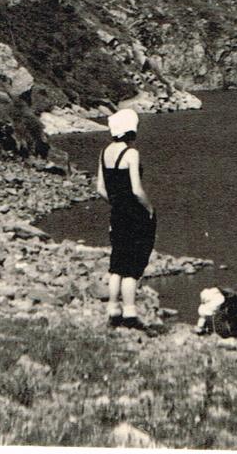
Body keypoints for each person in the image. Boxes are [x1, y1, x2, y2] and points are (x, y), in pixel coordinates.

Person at [96, 107, 156, 329]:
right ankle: (130, 313)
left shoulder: (104, 153)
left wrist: (116, 203)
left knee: (117, 262)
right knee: (133, 264)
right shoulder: (131, 153)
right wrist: (149, 208)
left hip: (117, 213)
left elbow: (100, 188)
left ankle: (113, 309)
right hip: (134, 214)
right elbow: (137, 190)